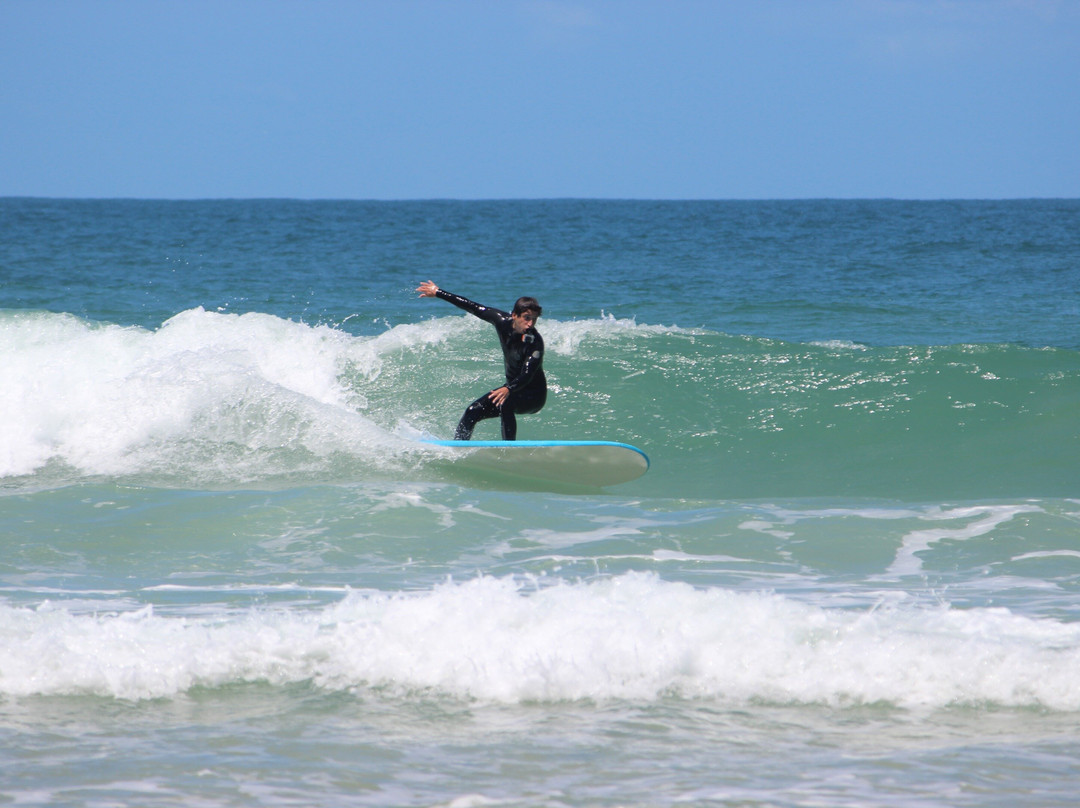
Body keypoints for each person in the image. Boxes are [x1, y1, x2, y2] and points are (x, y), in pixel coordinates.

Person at [416, 280, 546, 441]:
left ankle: (509, 450)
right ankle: (458, 447)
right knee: (472, 411)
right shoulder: (501, 321)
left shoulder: (535, 342)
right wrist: (438, 292)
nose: (530, 324)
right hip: (511, 390)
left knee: (506, 401)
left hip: (533, 397)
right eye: (527, 318)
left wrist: (509, 388)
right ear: (514, 315)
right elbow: (473, 307)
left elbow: (527, 373)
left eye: (534, 319)